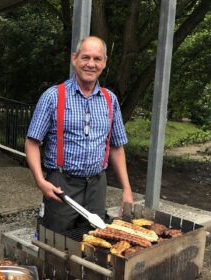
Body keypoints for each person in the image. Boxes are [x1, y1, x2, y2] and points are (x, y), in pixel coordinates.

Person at [25, 36, 133, 233]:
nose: (90, 64)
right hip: (61, 185)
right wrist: (41, 182)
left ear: (104, 63)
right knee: (56, 240)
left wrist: (126, 189)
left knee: (94, 240)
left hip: (97, 185)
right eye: (85, 57)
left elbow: (117, 147)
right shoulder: (53, 96)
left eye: (97, 59)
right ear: (74, 58)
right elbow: (32, 142)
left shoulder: (110, 100)